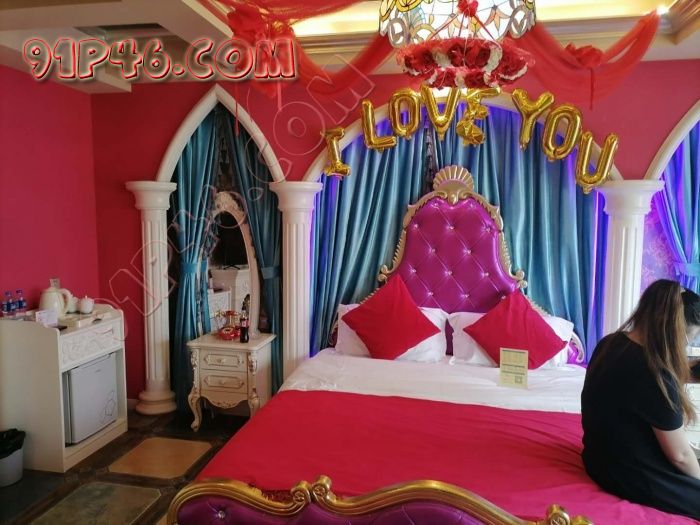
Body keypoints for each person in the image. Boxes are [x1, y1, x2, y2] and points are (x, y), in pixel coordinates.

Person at [581, 279, 700, 518]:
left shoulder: (610, 343)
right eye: (690, 338)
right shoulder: (657, 375)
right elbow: (680, 457)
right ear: (675, 330)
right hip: (630, 474)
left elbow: (642, 379)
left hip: (599, 457)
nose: (686, 346)